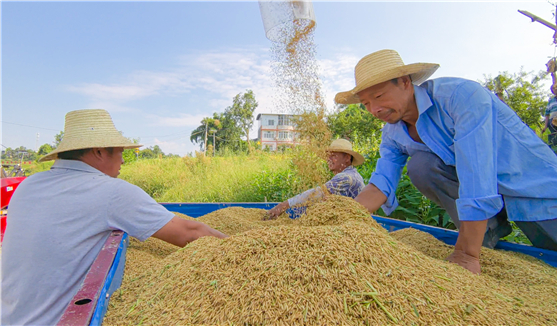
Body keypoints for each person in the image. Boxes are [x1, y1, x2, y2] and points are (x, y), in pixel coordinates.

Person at [334, 49, 557, 274]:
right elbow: (380, 185)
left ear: (406, 82)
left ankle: (472, 241)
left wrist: (465, 254)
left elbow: (476, 170)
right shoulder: (392, 134)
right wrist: (340, 219)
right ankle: (486, 232)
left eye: (378, 96)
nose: (374, 109)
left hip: (534, 188)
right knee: (421, 166)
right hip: (482, 204)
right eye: (366, 104)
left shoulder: (460, 98)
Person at [1, 109, 228, 325]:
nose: (122, 160)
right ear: (99, 151)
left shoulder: (28, 185)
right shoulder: (111, 192)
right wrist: (244, 246)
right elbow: (189, 233)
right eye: (120, 151)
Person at [266, 139, 365, 219]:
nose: (328, 160)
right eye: (328, 156)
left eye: (333, 156)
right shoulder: (352, 174)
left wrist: (283, 206)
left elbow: (317, 193)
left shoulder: (346, 178)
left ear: (347, 158)